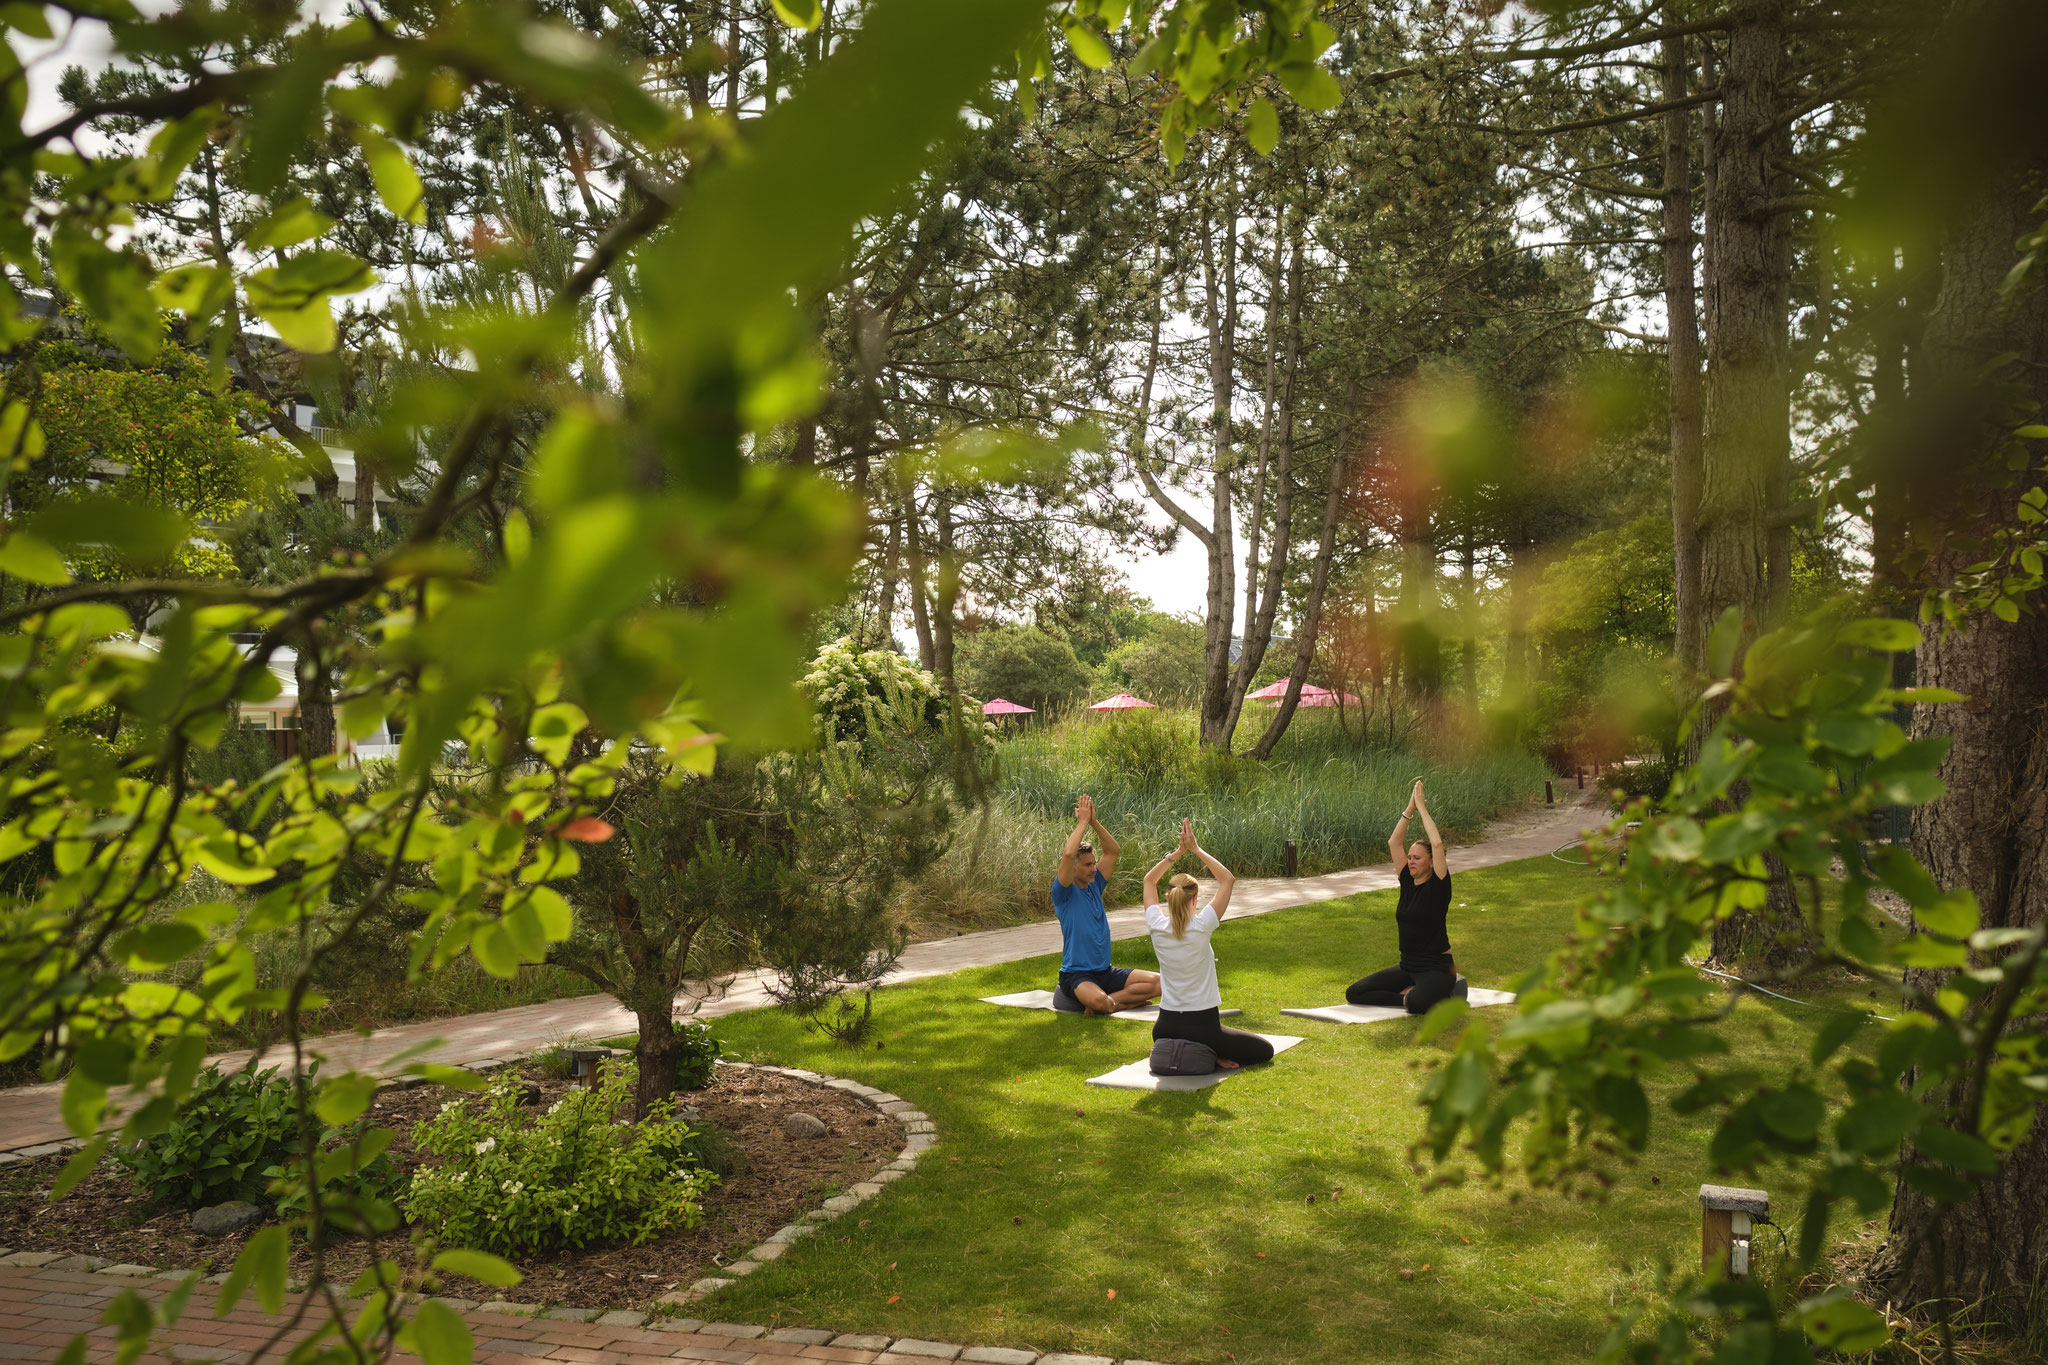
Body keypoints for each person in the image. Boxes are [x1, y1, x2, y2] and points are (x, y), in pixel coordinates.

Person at [1141, 818, 1274, 1069]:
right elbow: (1227, 879)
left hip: (1164, 1028)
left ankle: (1211, 1053)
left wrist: (1177, 854)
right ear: (1195, 899)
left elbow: (1148, 881)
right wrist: (1195, 849)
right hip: (1202, 1029)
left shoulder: (1156, 924)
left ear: (1168, 898)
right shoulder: (1202, 925)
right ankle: (1211, 1050)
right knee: (1264, 1050)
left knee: (1233, 1041)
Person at [1345, 779, 1461, 1015]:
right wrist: (1410, 809)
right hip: (1408, 966)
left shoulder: (1438, 886)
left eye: (1417, 858)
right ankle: (1409, 997)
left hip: (1437, 969)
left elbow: (1437, 844)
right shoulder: (1407, 881)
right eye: (1410, 857)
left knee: (1419, 1005)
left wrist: (1423, 807)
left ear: (1431, 862)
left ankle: (1435, 994)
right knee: (1355, 993)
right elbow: (1393, 842)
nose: (1410, 861)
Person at [1051, 794, 1161, 1014]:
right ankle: (1111, 1003)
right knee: (1099, 1001)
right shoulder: (1063, 893)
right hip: (1077, 975)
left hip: (1105, 972)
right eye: (1088, 865)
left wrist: (1093, 821)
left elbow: (1113, 851)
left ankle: (1111, 1003)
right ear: (1073, 868)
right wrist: (1082, 822)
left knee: (1161, 983)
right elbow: (1068, 853)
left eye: (1094, 863)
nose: (1094, 869)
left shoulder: (1095, 885)